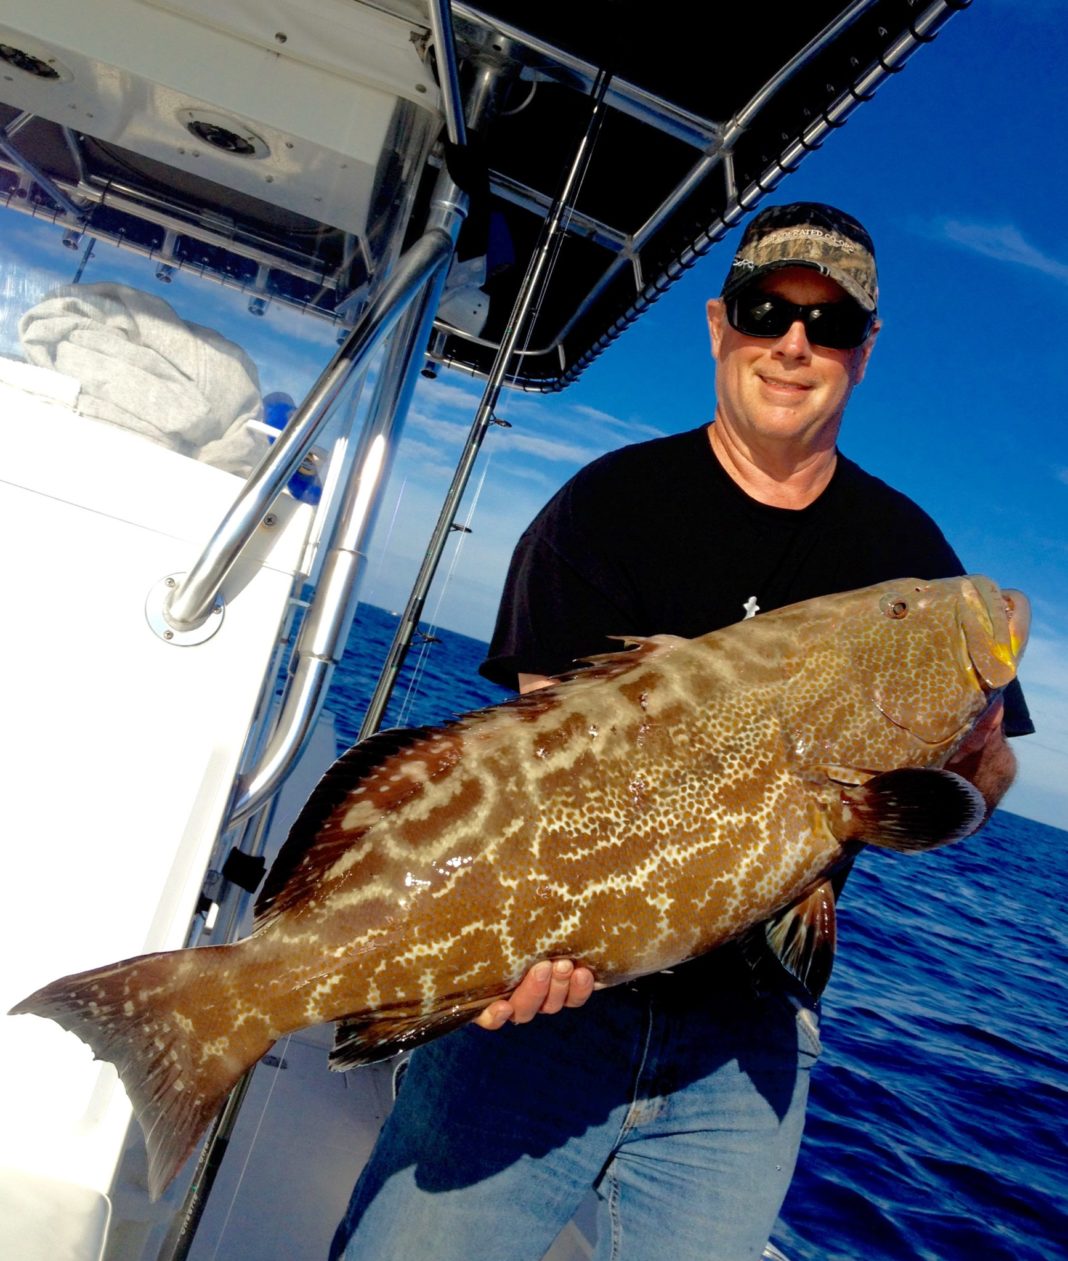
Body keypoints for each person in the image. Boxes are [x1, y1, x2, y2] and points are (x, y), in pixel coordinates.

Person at [330, 202, 1032, 1261]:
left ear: (864, 352)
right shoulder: (606, 508)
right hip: (550, 1015)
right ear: (719, 327)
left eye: (830, 323)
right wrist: (507, 952)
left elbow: (992, 764)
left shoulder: (909, 552)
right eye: (767, 311)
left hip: (747, 1035)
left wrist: (964, 777)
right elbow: (532, 772)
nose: (795, 343)